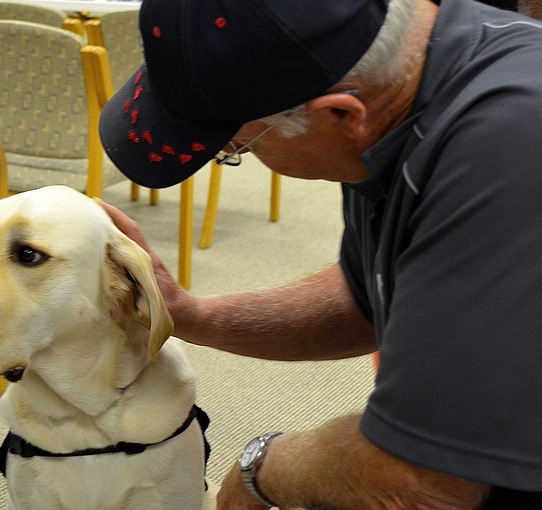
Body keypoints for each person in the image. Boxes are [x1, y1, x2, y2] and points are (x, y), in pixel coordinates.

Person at [98, 0, 542, 507]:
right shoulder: (397, 82)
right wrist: (190, 316)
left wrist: (262, 467)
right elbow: (368, 296)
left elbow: (418, 482)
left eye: (237, 148)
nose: (237, 157)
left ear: (338, 114)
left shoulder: (509, 141)